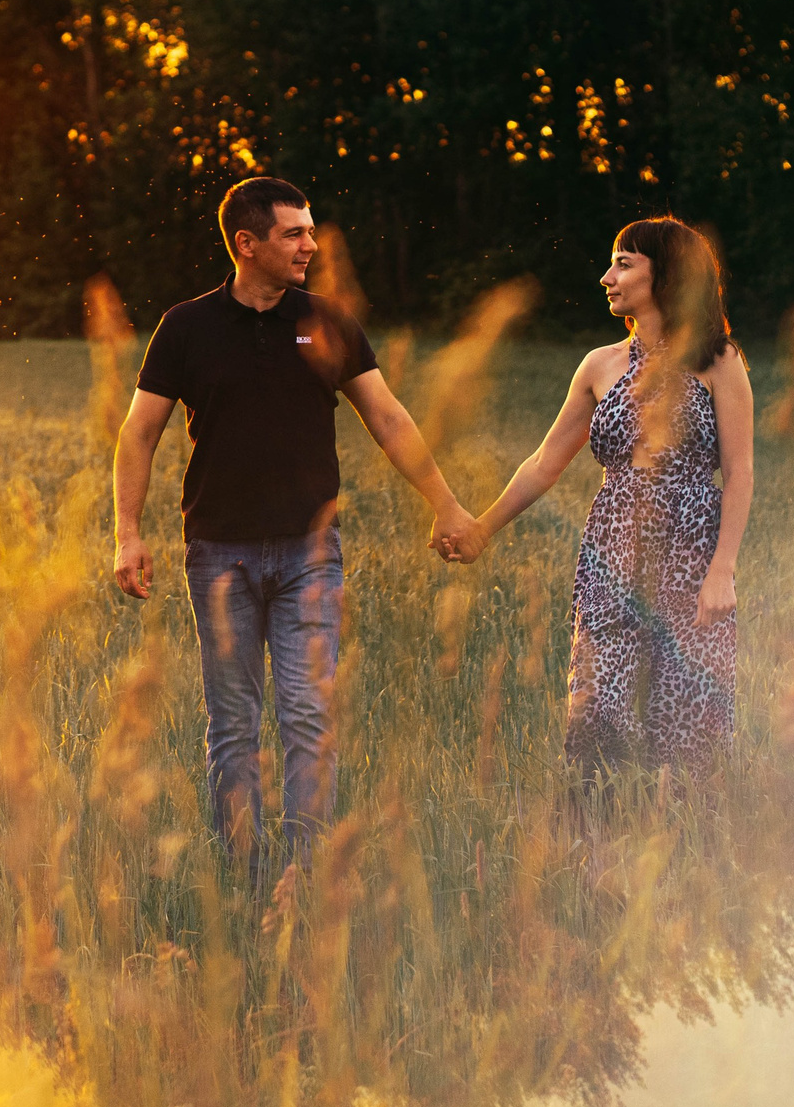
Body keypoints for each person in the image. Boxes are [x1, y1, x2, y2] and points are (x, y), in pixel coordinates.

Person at [113, 177, 475, 872]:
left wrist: (446, 504)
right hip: (218, 558)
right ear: (247, 244)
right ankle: (246, 880)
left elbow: (388, 417)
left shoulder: (326, 322)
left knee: (309, 718)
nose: (311, 243)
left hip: (312, 554)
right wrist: (127, 533)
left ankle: (308, 879)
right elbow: (139, 434)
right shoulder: (187, 327)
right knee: (234, 727)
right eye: (294, 233)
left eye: (310, 230)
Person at [447, 217, 753, 773]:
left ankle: (687, 844)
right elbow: (544, 464)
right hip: (611, 551)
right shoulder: (598, 365)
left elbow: (741, 469)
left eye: (623, 263)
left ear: (667, 277)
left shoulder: (718, 361)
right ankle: (596, 839)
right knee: (599, 711)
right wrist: (480, 528)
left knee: (686, 718)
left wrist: (722, 570)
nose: (606, 276)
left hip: (690, 557)